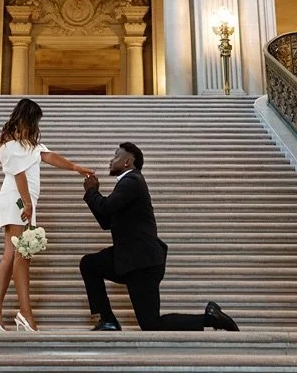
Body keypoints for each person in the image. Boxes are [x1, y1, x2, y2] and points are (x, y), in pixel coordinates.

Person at [79, 141, 239, 332]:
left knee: (151, 324)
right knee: (90, 264)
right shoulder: (129, 183)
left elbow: (105, 207)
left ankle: (211, 318)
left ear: (128, 162)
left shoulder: (131, 181)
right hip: (131, 259)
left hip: (142, 263)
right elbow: (107, 221)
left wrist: (91, 192)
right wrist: (92, 195)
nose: (111, 161)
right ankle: (108, 320)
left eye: (116, 156)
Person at [0, 98, 93, 332]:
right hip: (17, 200)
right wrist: (27, 204)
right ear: (26, 119)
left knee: (10, 256)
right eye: (35, 121)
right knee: (22, 256)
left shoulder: (27, 145)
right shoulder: (12, 145)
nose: (37, 126)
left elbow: (49, 156)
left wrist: (76, 167)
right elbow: (19, 176)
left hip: (23, 201)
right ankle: (25, 314)